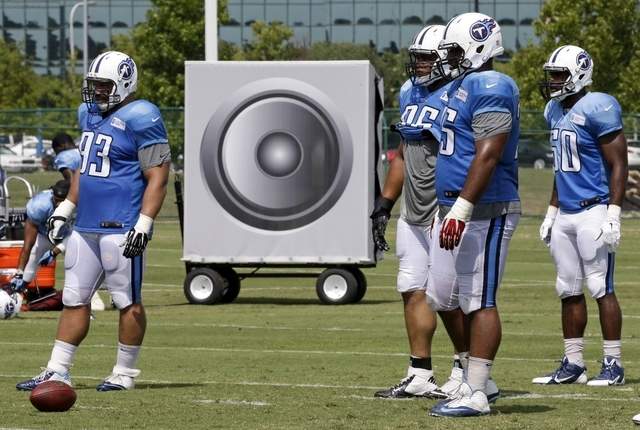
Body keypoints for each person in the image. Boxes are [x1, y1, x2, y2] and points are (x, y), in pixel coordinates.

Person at [16, 50, 171, 392]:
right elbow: (85, 171)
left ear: (124, 84)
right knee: (74, 297)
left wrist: (144, 223)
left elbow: (159, 175)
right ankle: (57, 370)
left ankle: (125, 373)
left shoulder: (143, 115)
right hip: (85, 225)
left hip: (122, 225)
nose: (97, 92)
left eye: (104, 85)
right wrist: (66, 208)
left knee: (125, 299)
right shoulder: (87, 113)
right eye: (94, 85)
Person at [426, 13, 520, 417]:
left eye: (453, 49)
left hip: (486, 208)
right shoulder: (460, 85)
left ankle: (478, 391)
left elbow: (489, 152)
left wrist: (462, 208)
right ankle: (478, 378)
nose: (447, 57)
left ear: (478, 45)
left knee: (479, 298)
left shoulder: (492, 84)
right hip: (454, 208)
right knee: (443, 295)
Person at [533, 45, 627, 388]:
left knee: (600, 287)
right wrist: (551, 210)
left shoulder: (598, 106)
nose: (553, 82)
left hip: (594, 208)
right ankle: (573, 363)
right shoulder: (553, 110)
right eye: (552, 75)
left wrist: (613, 212)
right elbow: (562, 167)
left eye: (559, 75)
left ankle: (613, 364)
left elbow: (619, 163)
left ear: (578, 75)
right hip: (567, 213)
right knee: (567, 289)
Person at [371, 25, 453, 399]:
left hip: (446, 208)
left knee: (448, 295)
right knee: (410, 288)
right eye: (416, 57)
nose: (418, 64)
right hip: (414, 210)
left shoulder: (458, 94)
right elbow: (403, 153)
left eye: (426, 58)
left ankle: (469, 370)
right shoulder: (409, 92)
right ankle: (420, 373)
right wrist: (385, 203)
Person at [51, 132, 106, 311]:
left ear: (58, 148)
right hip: (104, 198)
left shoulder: (63, 157)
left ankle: (88, 296)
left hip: (85, 201)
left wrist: (67, 204)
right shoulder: (85, 149)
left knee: (78, 246)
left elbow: (71, 181)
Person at [9, 180, 71, 295]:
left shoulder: (80, 204)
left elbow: (78, 235)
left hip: (70, 235)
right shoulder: (40, 205)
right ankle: (17, 293)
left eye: (61, 202)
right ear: (52, 194)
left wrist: (54, 252)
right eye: (56, 200)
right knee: (33, 257)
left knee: (75, 263)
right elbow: (28, 244)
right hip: (46, 234)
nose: (58, 205)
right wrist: (19, 272)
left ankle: (82, 301)